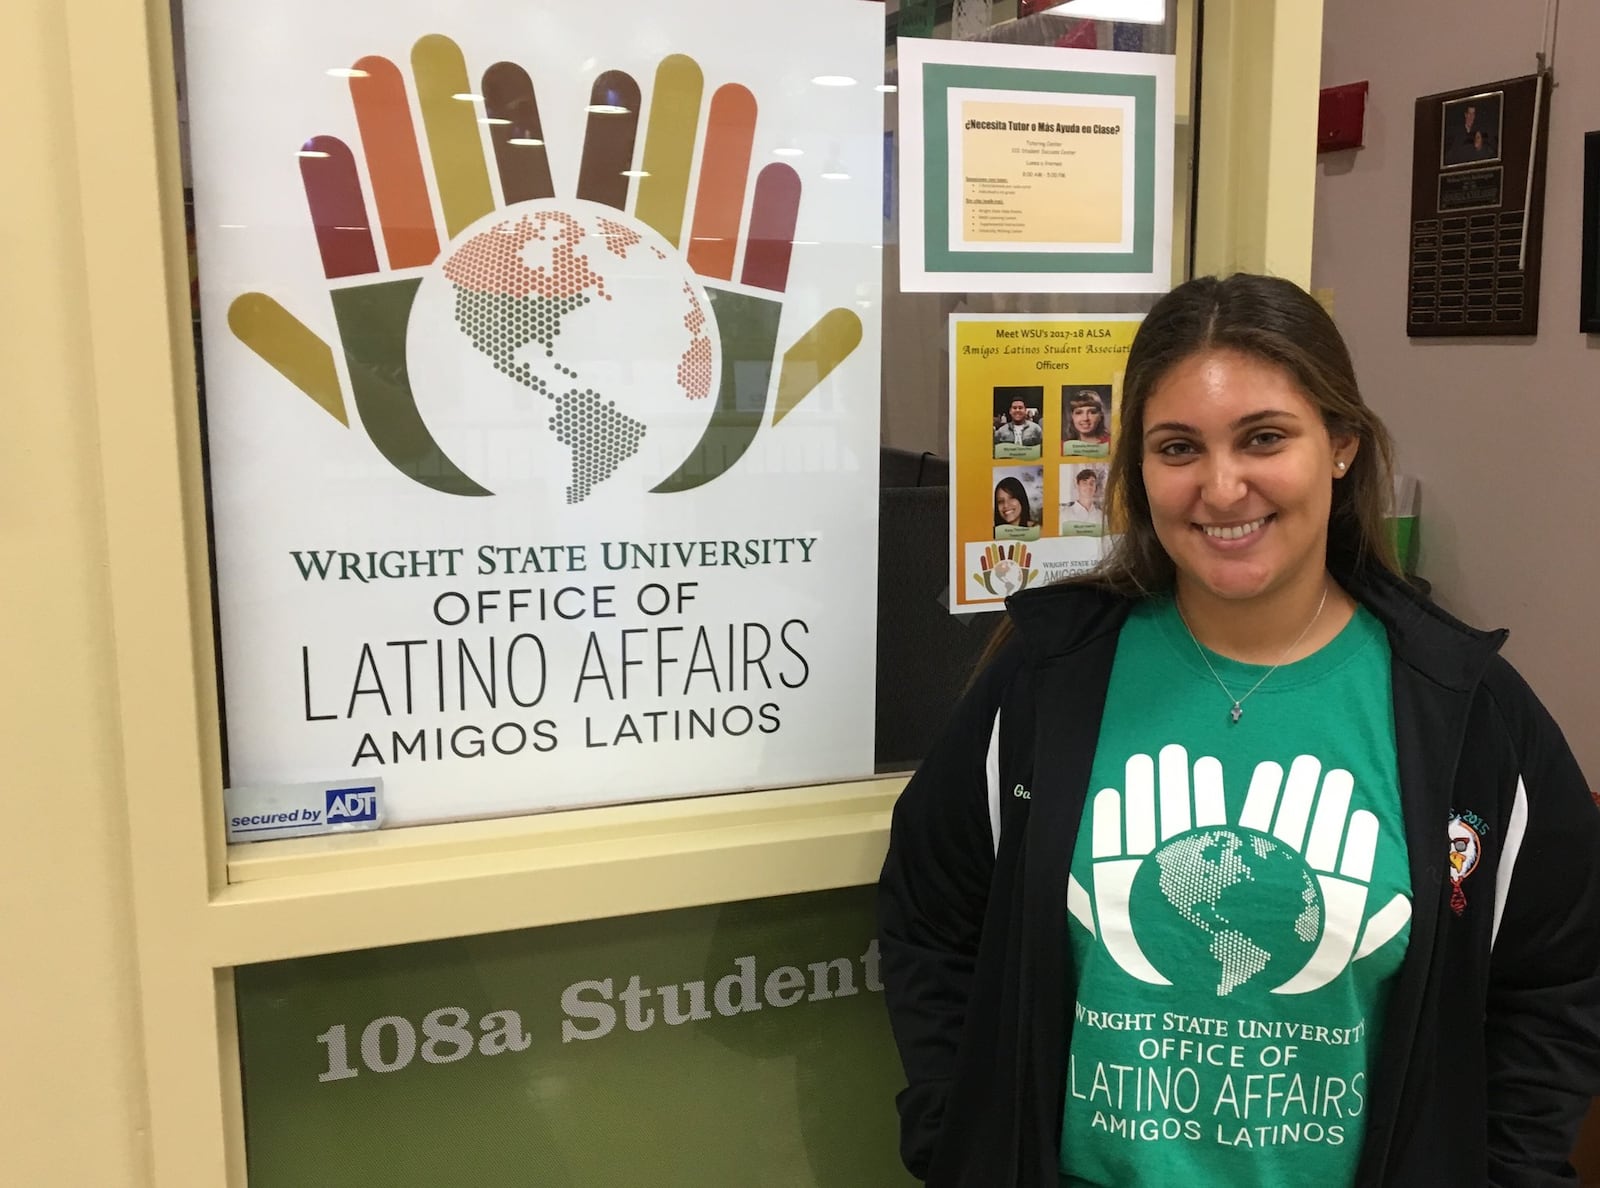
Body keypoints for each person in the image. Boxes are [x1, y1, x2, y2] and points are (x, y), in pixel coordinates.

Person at [878, 273, 1600, 1187]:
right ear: (1137, 470)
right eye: (1178, 447)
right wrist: (957, 1138)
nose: (1222, 488)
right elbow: (930, 918)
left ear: (1340, 445)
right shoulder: (1046, 682)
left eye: (1263, 438)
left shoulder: (1468, 717)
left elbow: (1556, 986)